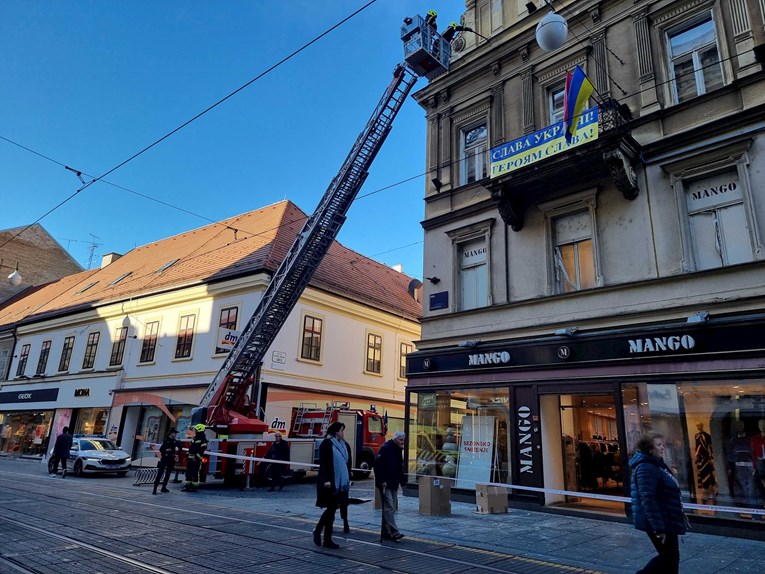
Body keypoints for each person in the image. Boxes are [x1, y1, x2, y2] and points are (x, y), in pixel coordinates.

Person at [629, 432, 686, 574]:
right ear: (649, 448)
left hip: (666, 518)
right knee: (670, 558)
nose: (662, 448)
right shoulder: (646, 467)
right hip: (659, 521)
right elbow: (647, 499)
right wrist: (658, 528)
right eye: (658, 445)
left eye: (663, 444)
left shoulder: (657, 464)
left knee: (669, 558)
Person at [312, 421, 350, 549]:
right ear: (336, 432)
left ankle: (326, 538)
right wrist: (328, 480)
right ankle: (319, 532)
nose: (343, 433)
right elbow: (326, 464)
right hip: (329, 482)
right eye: (341, 430)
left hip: (339, 483)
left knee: (332, 510)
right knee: (331, 509)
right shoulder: (327, 444)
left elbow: (345, 463)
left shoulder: (341, 445)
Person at [374, 431, 407, 541]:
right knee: (389, 507)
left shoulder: (398, 449)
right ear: (396, 439)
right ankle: (394, 531)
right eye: (401, 440)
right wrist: (381, 480)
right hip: (386, 483)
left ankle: (386, 531)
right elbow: (378, 465)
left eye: (404, 440)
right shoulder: (386, 448)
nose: (403, 442)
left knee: (390, 508)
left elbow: (399, 468)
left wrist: (403, 483)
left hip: (394, 483)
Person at [153, 428, 181, 495]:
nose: (175, 434)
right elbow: (161, 449)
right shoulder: (166, 441)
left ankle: (164, 487)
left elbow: (179, 448)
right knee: (160, 473)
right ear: (171, 433)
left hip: (171, 459)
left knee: (168, 474)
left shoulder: (175, 441)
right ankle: (155, 489)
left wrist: (178, 449)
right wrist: (167, 450)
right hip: (165, 458)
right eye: (174, 433)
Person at [182, 423, 208, 493]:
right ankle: (187, 486)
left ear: (199, 430)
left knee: (195, 473)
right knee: (188, 472)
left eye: (195, 430)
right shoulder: (194, 438)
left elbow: (201, 451)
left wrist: (196, 458)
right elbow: (190, 448)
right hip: (190, 459)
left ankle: (194, 487)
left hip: (196, 460)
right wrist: (187, 455)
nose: (194, 431)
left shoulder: (203, 440)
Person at [338, 437, 353, 533]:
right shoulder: (344, 445)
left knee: (342, 502)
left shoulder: (345, 445)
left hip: (342, 479)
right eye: (341, 431)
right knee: (335, 503)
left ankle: (345, 522)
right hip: (339, 479)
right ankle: (345, 523)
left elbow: (349, 462)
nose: (343, 433)